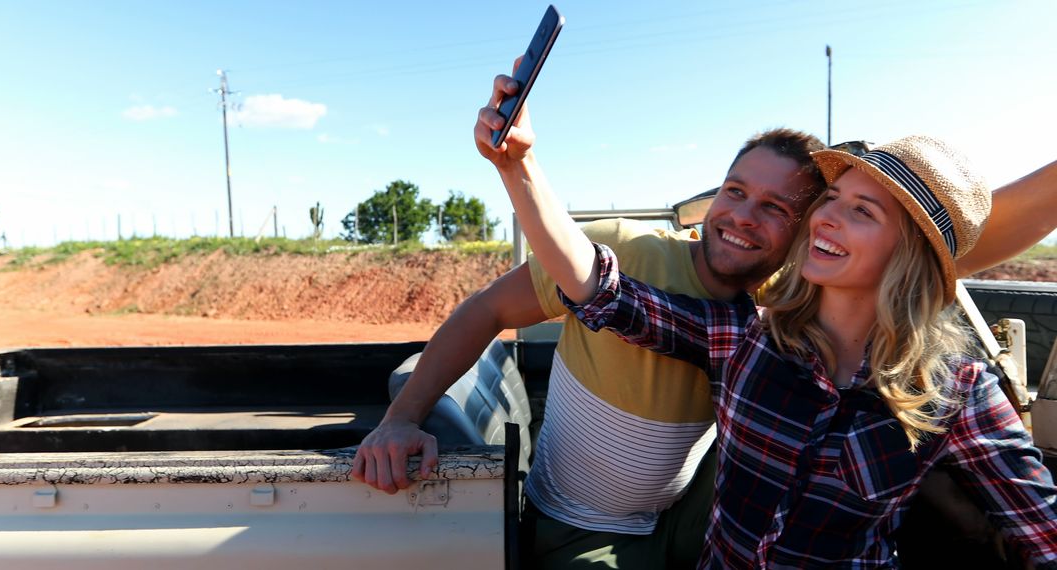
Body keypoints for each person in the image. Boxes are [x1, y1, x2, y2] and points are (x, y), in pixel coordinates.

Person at [355, 68, 1057, 568]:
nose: (746, 219)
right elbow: (595, 287)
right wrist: (517, 168)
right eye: (735, 191)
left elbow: (1039, 527)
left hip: (682, 520)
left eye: (784, 209)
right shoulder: (741, 331)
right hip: (593, 528)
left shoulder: (938, 382)